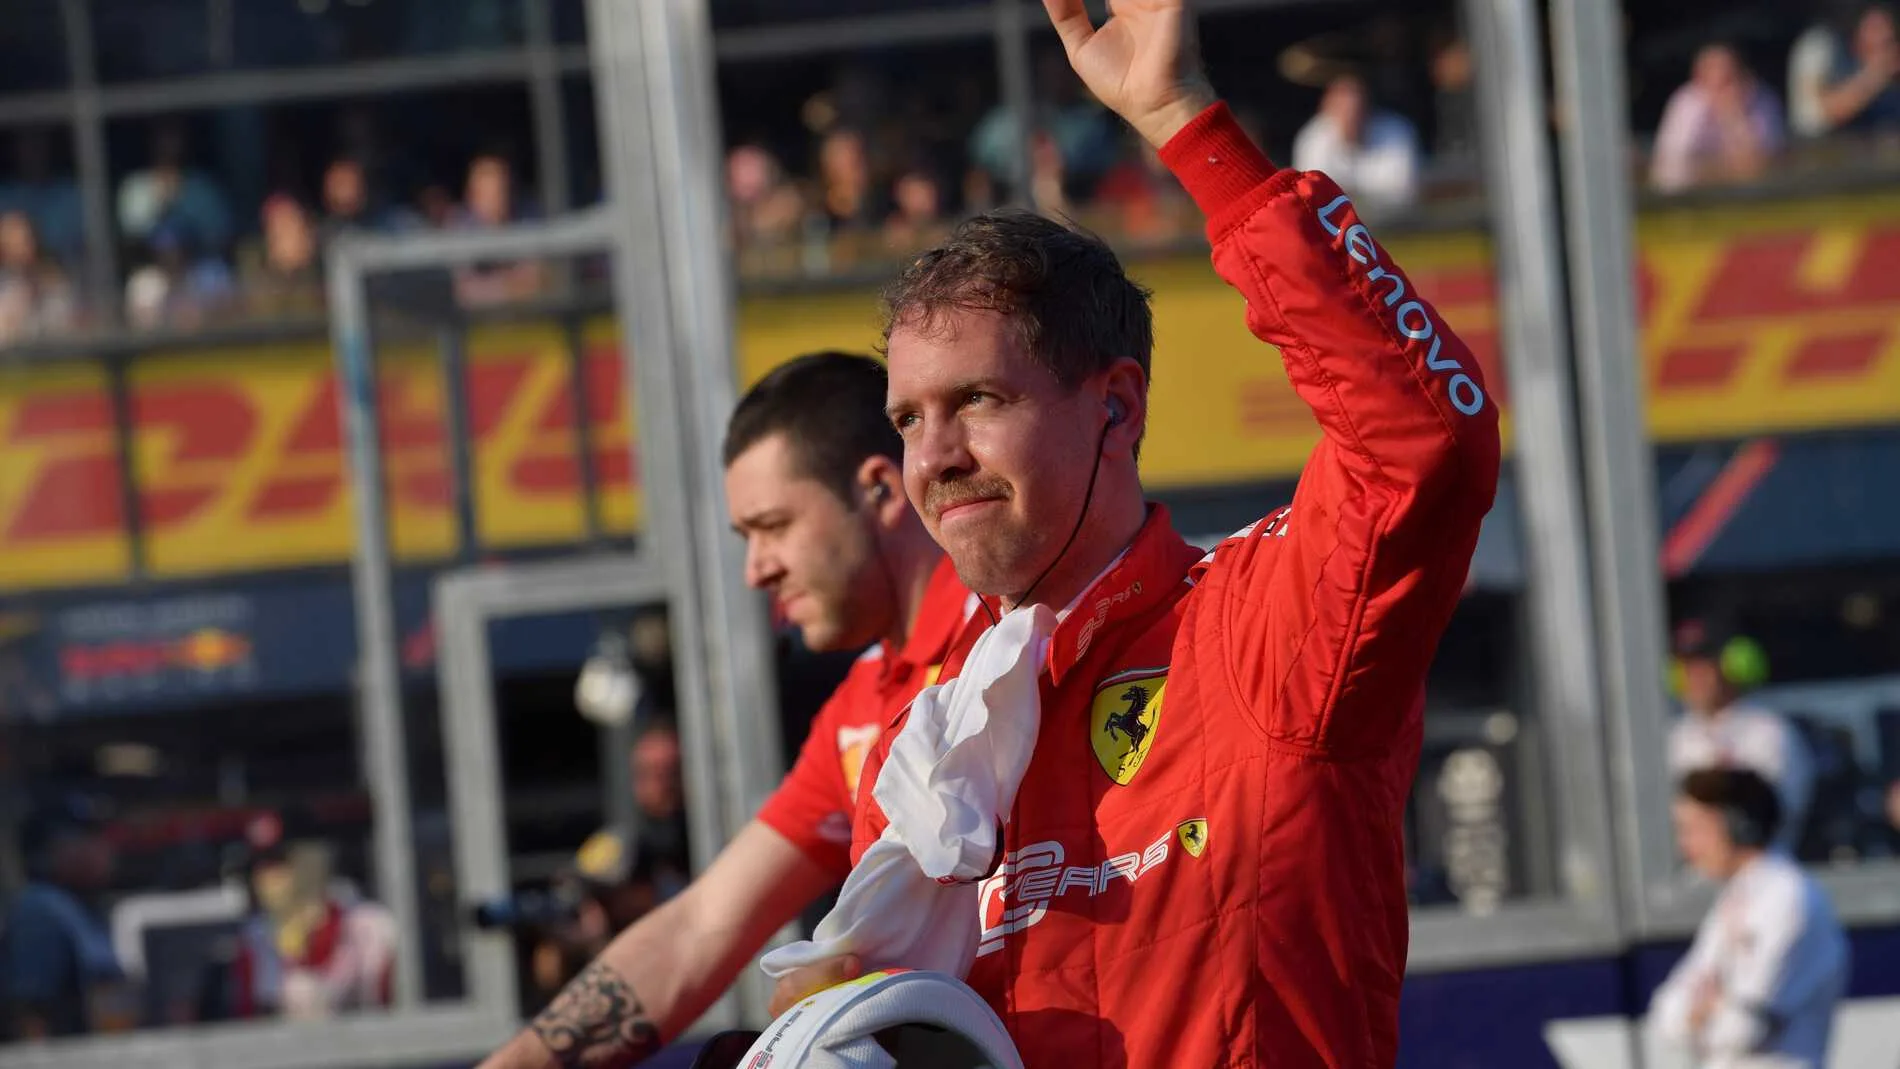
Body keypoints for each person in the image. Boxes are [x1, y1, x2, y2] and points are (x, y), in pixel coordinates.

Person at [769, 2, 1502, 1065]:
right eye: (907, 420)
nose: (932, 458)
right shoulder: (928, 752)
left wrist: (1186, 124)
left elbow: (1425, 442)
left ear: (1116, 407)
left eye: (976, 400)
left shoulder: (1263, 625)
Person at [477, 352, 973, 1069]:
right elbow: (702, 927)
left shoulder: (1016, 631)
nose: (756, 569)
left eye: (774, 525)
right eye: (746, 539)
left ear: (878, 489)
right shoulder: (859, 704)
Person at [1647, 769, 1847, 1068]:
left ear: (1740, 826)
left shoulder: (1789, 898)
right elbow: (1665, 1016)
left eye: (1695, 829)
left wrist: (1702, 1013)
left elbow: (1743, 1028)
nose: (1685, 846)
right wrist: (1705, 1010)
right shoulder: (1735, 898)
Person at [1667, 618, 1813, 856]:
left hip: (1761, 869)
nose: (1695, 678)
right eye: (1686, 668)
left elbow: (1779, 817)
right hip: (1695, 878)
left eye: (1704, 666)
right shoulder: (1676, 739)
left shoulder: (1769, 733)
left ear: (1732, 667)